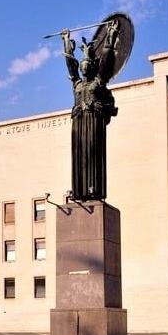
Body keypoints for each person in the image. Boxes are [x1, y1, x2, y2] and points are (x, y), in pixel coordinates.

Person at [61, 21, 120, 201]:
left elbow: (106, 62)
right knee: (79, 155)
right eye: (82, 65)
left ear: (93, 67)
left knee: (93, 154)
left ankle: (94, 188)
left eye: (87, 65)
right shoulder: (77, 84)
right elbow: (71, 66)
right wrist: (66, 42)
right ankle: (79, 191)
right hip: (79, 123)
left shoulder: (98, 82)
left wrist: (110, 37)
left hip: (93, 122)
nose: (84, 67)